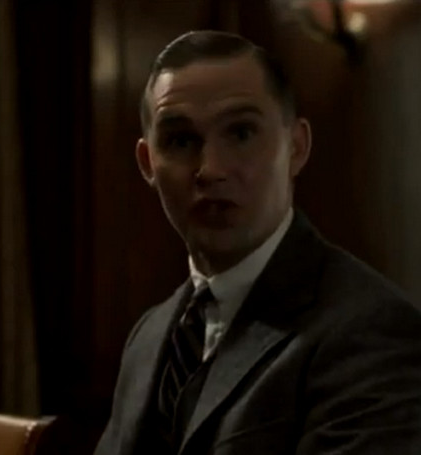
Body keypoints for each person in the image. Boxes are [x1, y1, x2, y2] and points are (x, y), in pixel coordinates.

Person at [94, 30, 421, 455]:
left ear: (296, 147)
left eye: (241, 133)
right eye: (180, 141)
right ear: (147, 163)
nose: (211, 169)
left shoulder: (369, 332)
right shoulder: (149, 336)